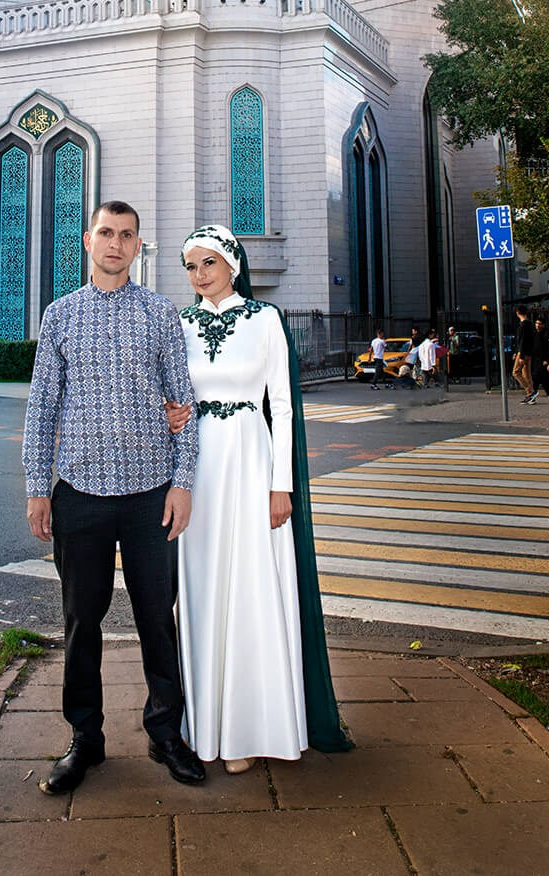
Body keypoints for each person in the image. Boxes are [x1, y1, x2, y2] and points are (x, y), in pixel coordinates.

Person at [22, 201, 205, 795]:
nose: (116, 244)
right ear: (87, 241)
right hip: (79, 495)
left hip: (150, 493)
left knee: (158, 618)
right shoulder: (60, 315)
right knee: (82, 622)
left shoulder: (160, 314)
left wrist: (183, 483)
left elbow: (185, 407)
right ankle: (85, 740)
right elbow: (42, 408)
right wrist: (37, 488)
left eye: (127, 236)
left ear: (138, 246)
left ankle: (165, 735)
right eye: (107, 233)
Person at [169, 224, 352, 774]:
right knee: (202, 589)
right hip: (197, 467)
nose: (201, 275)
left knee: (252, 586)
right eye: (192, 266)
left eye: (209, 263)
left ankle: (252, 727)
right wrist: (169, 410)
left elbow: (283, 407)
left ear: (232, 263)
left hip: (251, 460)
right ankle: (208, 729)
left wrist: (282, 486)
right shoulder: (179, 326)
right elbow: (171, 394)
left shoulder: (265, 320)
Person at [514, 307, 537, 403]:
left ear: (518, 313)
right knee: (526, 374)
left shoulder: (524, 325)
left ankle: (530, 391)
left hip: (523, 352)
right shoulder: (530, 324)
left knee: (516, 372)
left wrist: (521, 355)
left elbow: (522, 341)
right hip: (527, 352)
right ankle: (531, 397)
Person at [532, 318, 549, 399]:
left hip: (542, 359)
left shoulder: (545, 334)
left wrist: (546, 359)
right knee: (536, 376)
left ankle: (547, 393)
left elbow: (548, 349)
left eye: (540, 323)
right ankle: (534, 392)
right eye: (536, 323)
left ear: (543, 325)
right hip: (535, 359)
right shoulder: (534, 333)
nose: (538, 325)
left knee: (542, 376)